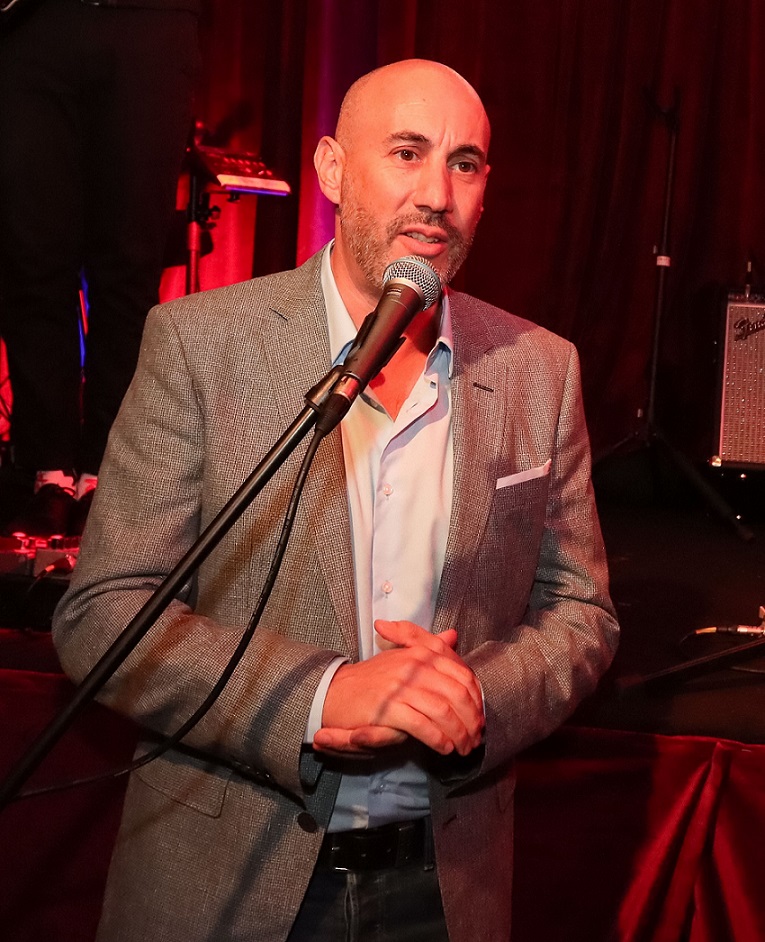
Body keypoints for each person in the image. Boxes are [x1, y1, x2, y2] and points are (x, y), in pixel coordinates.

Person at [52, 59, 619, 942]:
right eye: (406, 152)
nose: (436, 194)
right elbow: (105, 613)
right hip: (223, 880)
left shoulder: (540, 368)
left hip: (445, 886)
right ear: (330, 169)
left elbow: (580, 611)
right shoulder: (201, 344)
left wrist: (478, 697)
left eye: (464, 163)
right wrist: (319, 697)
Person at [0, 0, 200, 537]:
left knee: (129, 268)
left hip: (149, 23)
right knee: (33, 259)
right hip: (33, 22)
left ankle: (107, 476)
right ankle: (47, 474)